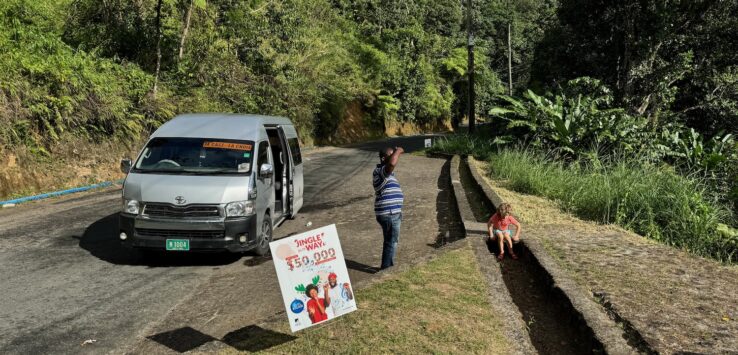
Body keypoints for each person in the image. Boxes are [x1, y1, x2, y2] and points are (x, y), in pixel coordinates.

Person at [373, 146, 405, 269]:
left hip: (393, 213)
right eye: (391, 155)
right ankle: (386, 269)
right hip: (389, 214)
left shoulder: (387, 173)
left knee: (391, 241)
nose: (394, 157)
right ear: (383, 158)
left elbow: (391, 164)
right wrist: (399, 150)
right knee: (391, 242)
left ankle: (386, 267)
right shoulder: (380, 171)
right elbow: (392, 163)